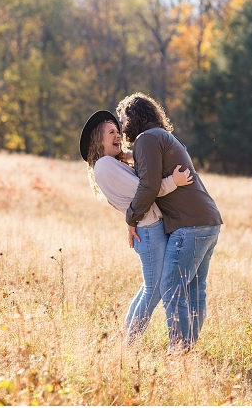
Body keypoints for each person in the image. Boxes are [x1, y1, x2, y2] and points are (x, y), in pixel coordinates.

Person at [116, 93, 223, 352]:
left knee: (171, 287)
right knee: (195, 291)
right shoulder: (159, 137)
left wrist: (131, 218)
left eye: (122, 121)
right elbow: (150, 169)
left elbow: (149, 185)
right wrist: (126, 157)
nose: (121, 128)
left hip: (189, 226)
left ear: (133, 117)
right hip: (208, 221)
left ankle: (179, 351)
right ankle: (187, 350)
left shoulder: (146, 139)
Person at [80, 110, 193, 344]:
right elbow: (145, 192)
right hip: (149, 232)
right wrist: (174, 181)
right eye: (111, 132)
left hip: (148, 229)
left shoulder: (109, 163)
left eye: (117, 131)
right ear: (98, 142)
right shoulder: (105, 167)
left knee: (149, 288)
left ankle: (126, 336)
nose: (118, 135)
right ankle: (130, 343)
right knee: (154, 290)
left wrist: (128, 142)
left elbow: (139, 175)